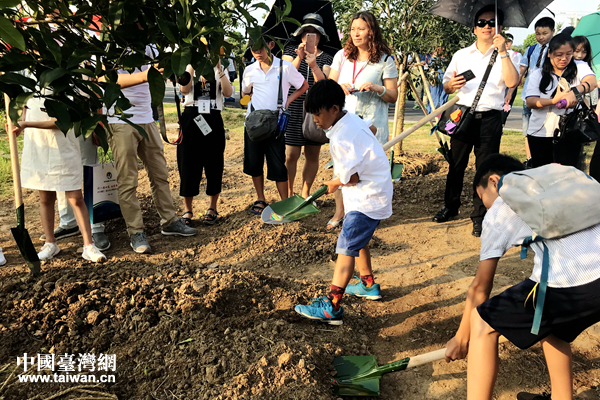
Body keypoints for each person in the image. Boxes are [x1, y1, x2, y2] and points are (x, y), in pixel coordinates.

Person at [444, 153, 600, 400]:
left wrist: (462, 338)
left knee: (483, 323)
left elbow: (480, 288)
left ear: (494, 181)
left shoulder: (502, 205)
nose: (485, 205)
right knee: (550, 324)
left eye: (482, 196)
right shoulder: (555, 182)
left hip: (572, 286)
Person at [294, 79, 392, 325]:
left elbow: (353, 177)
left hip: (367, 197)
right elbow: (372, 131)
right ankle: (368, 284)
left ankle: (332, 305)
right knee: (358, 240)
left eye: (318, 114)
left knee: (345, 246)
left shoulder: (341, 138)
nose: (315, 120)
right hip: (373, 191)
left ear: (334, 109)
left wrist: (334, 183)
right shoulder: (351, 119)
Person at [432, 5, 519, 237]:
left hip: (490, 118)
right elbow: (446, 84)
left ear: (501, 28)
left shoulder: (510, 55)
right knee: (456, 164)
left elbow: (512, 82)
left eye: (492, 22)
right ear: (474, 29)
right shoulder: (461, 55)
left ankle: (480, 216)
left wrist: (502, 52)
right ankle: (450, 206)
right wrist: (451, 86)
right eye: (482, 22)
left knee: (485, 169)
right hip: (462, 115)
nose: (487, 26)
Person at [106, 45, 198, 254]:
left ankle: (169, 221)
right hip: (120, 121)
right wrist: (148, 74)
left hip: (147, 119)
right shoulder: (110, 46)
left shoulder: (150, 47)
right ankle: (136, 231)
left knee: (160, 174)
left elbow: (162, 73)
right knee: (128, 180)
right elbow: (109, 80)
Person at [12, 95, 106, 262]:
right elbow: (26, 110)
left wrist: (26, 124)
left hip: (63, 149)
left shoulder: (65, 87)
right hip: (39, 147)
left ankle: (88, 246)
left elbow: (62, 122)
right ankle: (50, 244)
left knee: (75, 198)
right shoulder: (32, 86)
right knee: (46, 198)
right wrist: (19, 123)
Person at [327, 11, 398, 230]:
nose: (356, 33)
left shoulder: (385, 60)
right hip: (346, 121)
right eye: (353, 29)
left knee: (368, 170)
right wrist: (339, 87)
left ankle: (367, 214)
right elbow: (330, 87)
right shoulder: (342, 56)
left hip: (373, 123)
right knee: (341, 168)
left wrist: (377, 88)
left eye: (361, 29)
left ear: (372, 31)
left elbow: (393, 95)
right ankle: (341, 212)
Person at [241, 35, 308, 215]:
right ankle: (260, 198)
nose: (256, 53)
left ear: (270, 45)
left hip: (276, 125)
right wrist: (248, 98)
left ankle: (284, 203)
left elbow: (304, 85)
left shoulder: (284, 67)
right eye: (253, 49)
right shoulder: (249, 70)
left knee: (278, 164)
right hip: (253, 124)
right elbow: (245, 93)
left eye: (260, 48)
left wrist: (288, 101)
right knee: (254, 163)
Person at [282, 13, 333, 198]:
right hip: (294, 106)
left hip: (315, 109)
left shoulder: (327, 58)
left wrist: (313, 65)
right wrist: (299, 57)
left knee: (312, 154)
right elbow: (285, 76)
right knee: (290, 154)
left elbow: (324, 84)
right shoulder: (290, 51)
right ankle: (288, 193)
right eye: (306, 32)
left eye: (314, 33)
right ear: (300, 34)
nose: (309, 36)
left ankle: (305, 194)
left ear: (320, 36)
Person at [525, 34, 597, 168]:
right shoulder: (538, 74)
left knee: (567, 175)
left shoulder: (579, 66)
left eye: (569, 54)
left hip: (569, 133)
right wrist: (554, 101)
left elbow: (592, 82)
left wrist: (574, 92)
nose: (564, 59)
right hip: (540, 133)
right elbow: (530, 102)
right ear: (549, 54)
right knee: (542, 173)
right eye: (559, 55)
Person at [177, 59, 233, 225]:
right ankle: (187, 209)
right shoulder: (188, 65)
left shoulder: (221, 65)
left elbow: (228, 93)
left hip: (213, 115)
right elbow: (184, 89)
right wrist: (192, 66)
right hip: (191, 114)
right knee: (187, 163)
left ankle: (212, 207)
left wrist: (218, 68)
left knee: (214, 162)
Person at [511, 17, 555, 166]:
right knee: (527, 130)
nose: (541, 37)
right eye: (538, 33)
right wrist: (511, 91)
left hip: (544, 98)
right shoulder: (531, 49)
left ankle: (546, 158)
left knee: (546, 130)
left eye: (545, 33)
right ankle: (530, 158)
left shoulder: (555, 51)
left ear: (553, 32)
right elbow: (521, 71)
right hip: (527, 97)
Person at [502, 33, 521, 124]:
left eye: (508, 42)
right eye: (505, 42)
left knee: (505, 108)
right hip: (499, 85)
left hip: (509, 86)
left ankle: (502, 123)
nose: (506, 44)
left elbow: (517, 75)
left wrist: (510, 93)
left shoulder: (515, 55)